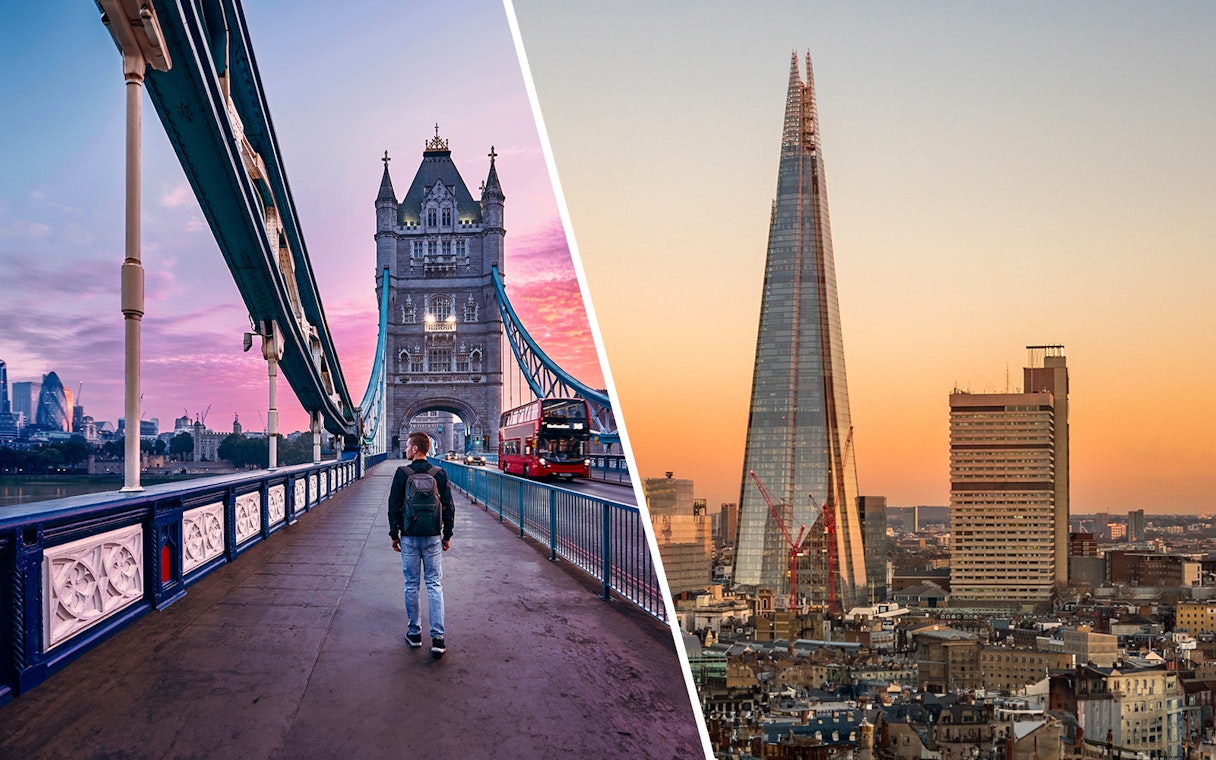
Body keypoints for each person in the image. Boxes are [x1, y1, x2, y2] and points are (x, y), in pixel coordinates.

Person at [387, 432, 454, 658]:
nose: (405, 449)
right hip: (434, 536)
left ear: (415, 449)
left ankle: (414, 634)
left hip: (409, 536)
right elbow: (449, 507)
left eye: (407, 446)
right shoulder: (440, 473)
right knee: (434, 584)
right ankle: (438, 638)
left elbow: (393, 505)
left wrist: (394, 534)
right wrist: (447, 535)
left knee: (412, 584)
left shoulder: (401, 473)